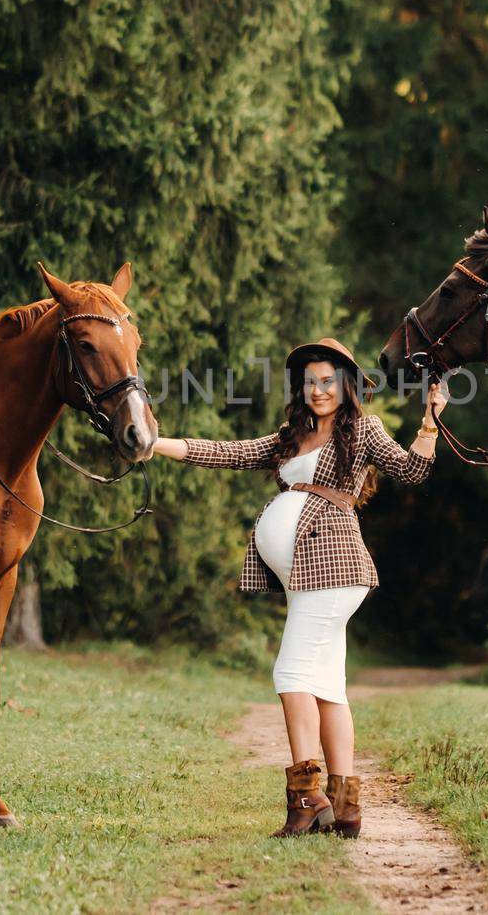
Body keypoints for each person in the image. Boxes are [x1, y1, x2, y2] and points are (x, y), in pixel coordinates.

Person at [153, 337, 445, 837]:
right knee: (328, 688)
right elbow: (228, 452)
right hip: (306, 578)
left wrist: (430, 421)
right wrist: (156, 444)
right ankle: (345, 806)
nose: (317, 390)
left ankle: (307, 800)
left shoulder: (363, 429)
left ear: (346, 384)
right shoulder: (292, 435)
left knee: (290, 674)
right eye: (309, 381)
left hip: (334, 570)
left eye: (327, 380)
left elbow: (413, 469)